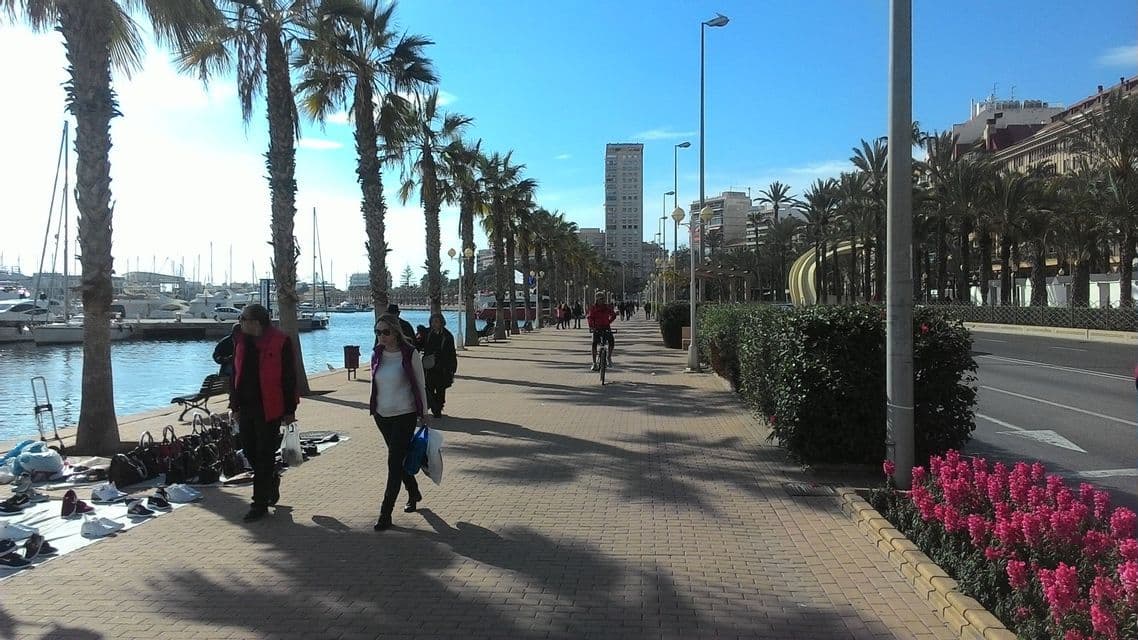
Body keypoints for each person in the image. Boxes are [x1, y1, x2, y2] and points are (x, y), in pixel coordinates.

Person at [228, 304, 298, 522]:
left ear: (256, 322)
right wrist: (234, 405)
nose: (240, 322)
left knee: (264, 453)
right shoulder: (239, 340)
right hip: (246, 406)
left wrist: (289, 410)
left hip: (270, 407)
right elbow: (235, 374)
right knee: (249, 450)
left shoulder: (280, 341)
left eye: (243, 318)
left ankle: (259, 504)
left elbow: (289, 377)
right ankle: (272, 478)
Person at [369, 313, 430, 531]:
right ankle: (413, 492)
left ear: (396, 332)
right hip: (382, 416)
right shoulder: (376, 353)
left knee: (393, 463)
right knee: (400, 460)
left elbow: (420, 383)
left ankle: (385, 513)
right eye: (377, 332)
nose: (381, 336)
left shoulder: (409, 353)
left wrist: (424, 412)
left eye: (385, 332)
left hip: (405, 414)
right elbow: (375, 383)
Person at [419, 313, 458, 417]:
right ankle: (434, 407)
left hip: (442, 367)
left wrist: (453, 367)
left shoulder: (447, 335)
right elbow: (418, 344)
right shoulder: (427, 333)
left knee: (441, 389)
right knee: (429, 388)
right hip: (429, 367)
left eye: (437, 321)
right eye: (432, 321)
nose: (434, 324)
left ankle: (438, 408)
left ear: (441, 322)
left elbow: (451, 353)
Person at [586, 292, 617, 371]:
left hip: (606, 327)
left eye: (603, 299)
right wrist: (591, 326)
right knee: (594, 344)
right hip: (596, 328)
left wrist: (609, 322)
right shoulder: (593, 308)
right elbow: (590, 317)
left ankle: (609, 357)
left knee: (611, 342)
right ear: (597, 299)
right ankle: (594, 363)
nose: (602, 300)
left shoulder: (607, 307)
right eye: (600, 299)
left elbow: (613, 315)